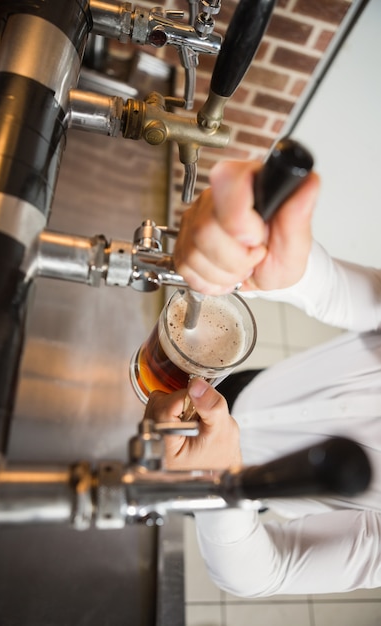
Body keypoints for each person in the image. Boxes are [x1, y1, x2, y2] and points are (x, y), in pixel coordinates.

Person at [143, 158, 381, 597]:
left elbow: (266, 573)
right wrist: (261, 263)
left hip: (250, 481)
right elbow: (329, 287)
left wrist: (215, 483)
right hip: (246, 386)